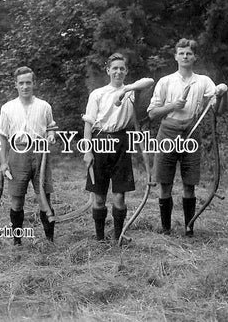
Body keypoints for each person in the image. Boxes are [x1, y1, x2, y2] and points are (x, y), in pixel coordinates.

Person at [147, 38, 227, 236]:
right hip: (167, 132)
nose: (185, 56)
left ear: (194, 57)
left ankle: (189, 227)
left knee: (189, 183)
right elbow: (152, 113)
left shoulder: (204, 81)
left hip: (191, 132)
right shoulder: (165, 81)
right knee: (164, 183)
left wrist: (223, 93)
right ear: (175, 56)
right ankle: (166, 229)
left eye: (189, 53)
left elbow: (217, 110)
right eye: (181, 53)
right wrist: (172, 106)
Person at [82, 53, 154, 241]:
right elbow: (88, 124)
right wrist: (87, 151)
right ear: (108, 71)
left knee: (120, 197)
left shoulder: (131, 92)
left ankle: (117, 236)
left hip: (122, 143)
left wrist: (125, 91)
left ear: (126, 71)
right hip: (100, 142)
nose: (118, 72)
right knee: (98, 197)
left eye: (122, 68)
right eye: (114, 68)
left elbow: (149, 81)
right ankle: (99, 238)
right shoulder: (97, 94)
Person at [0, 66, 57, 245]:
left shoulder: (44, 106)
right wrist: (3, 163)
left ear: (34, 84)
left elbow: (51, 127)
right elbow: (2, 136)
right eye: (21, 83)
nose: (25, 86)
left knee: (44, 197)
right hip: (18, 153)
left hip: (40, 153)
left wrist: (52, 135)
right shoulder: (8, 108)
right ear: (16, 85)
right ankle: (17, 241)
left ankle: (49, 240)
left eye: (28, 83)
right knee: (16, 200)